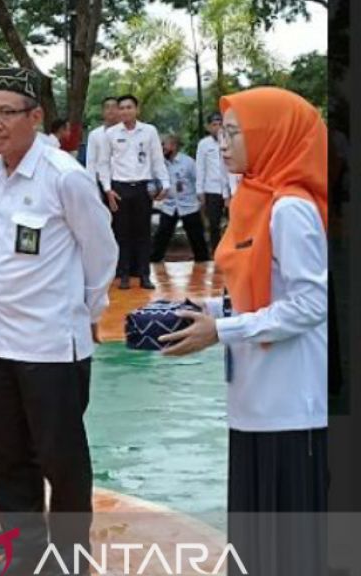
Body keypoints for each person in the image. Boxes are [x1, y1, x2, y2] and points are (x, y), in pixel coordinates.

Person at [160, 87, 328, 576]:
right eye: (223, 132)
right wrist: (202, 308)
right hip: (253, 399)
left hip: (290, 402)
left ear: (271, 137)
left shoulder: (290, 209)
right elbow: (257, 293)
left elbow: (309, 305)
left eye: (235, 133)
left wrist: (222, 329)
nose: (223, 141)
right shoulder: (255, 199)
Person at [0, 67, 118, 576]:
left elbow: (102, 251)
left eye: (6, 113)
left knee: (62, 460)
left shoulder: (65, 176)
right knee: (6, 458)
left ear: (34, 117)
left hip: (54, 346)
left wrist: (84, 311)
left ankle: (69, 560)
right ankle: (23, 554)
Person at [97, 95, 168, 290]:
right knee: (122, 233)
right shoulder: (110, 134)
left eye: (129, 107)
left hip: (143, 187)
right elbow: (102, 164)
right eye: (122, 108)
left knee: (143, 232)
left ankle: (145, 274)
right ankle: (124, 274)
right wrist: (107, 189)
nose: (125, 111)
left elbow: (157, 160)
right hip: (120, 187)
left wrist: (165, 184)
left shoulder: (149, 131)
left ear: (137, 109)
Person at [150, 133, 210, 263]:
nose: (162, 148)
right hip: (169, 206)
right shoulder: (160, 163)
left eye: (164, 145)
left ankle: (204, 263)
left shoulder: (188, 162)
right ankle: (153, 263)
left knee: (197, 238)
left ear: (174, 146)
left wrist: (201, 199)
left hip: (189, 205)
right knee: (161, 236)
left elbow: (198, 180)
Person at [196, 111, 230, 252]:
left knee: (233, 222)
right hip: (212, 189)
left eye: (220, 124)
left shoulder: (231, 141)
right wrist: (200, 190)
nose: (218, 127)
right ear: (209, 127)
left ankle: (231, 252)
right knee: (213, 224)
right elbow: (200, 167)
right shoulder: (204, 144)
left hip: (230, 189)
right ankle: (216, 252)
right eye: (214, 124)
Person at [83, 97, 120, 190]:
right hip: (101, 181)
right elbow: (91, 161)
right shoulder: (94, 135)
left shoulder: (126, 133)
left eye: (114, 107)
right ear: (103, 112)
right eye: (107, 107)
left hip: (122, 181)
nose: (110, 110)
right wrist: (91, 184)